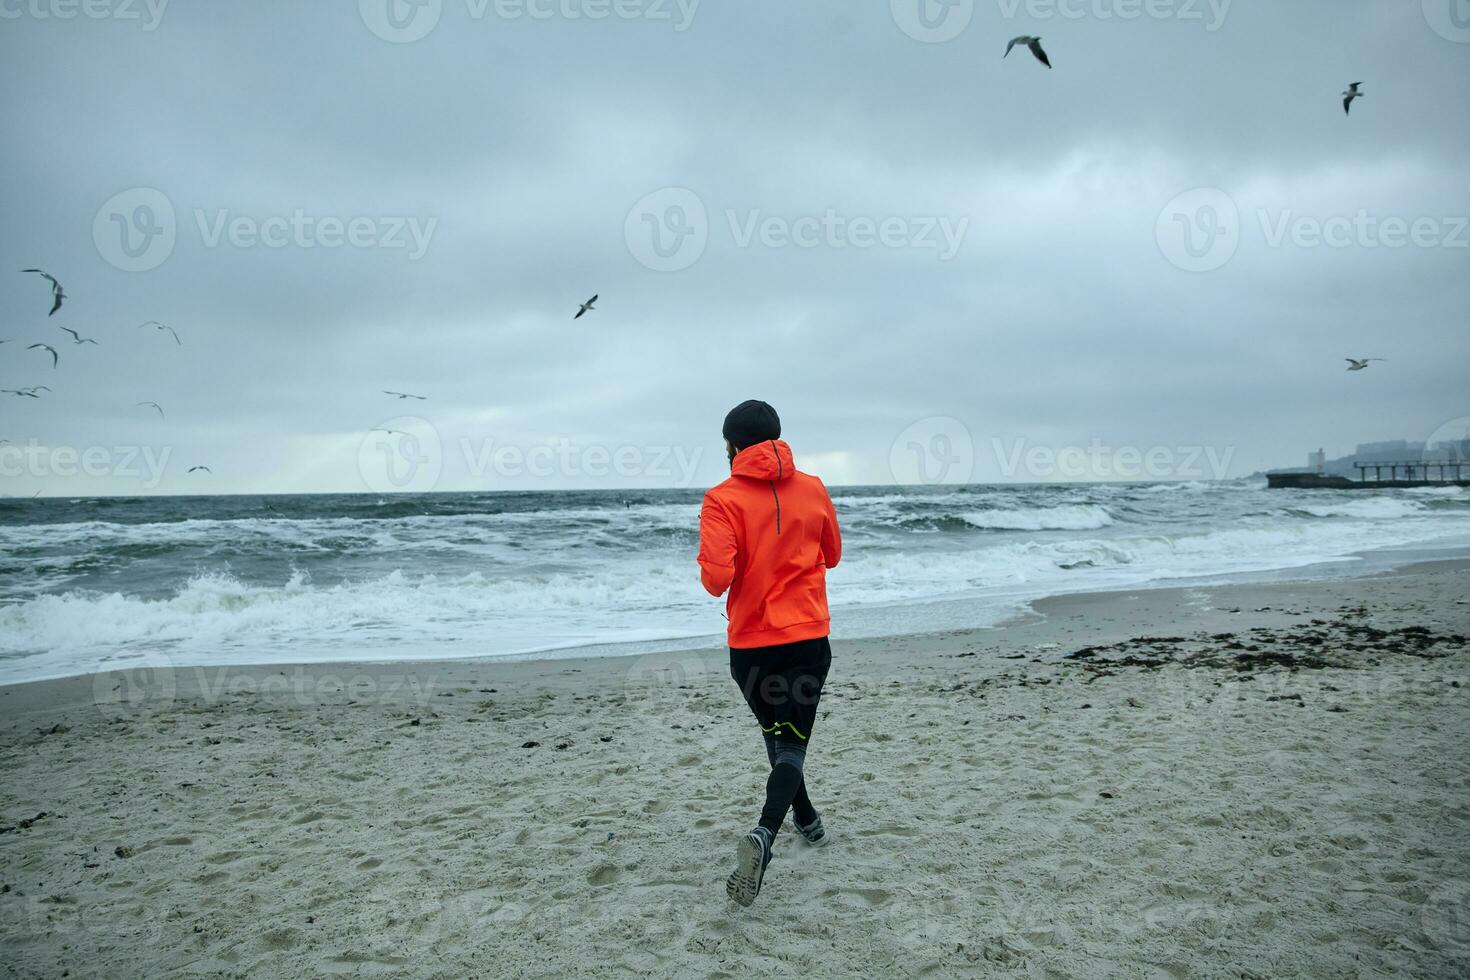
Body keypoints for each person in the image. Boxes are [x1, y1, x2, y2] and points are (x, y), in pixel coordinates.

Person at [697, 399, 842, 906]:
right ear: (777, 439)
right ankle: (780, 827)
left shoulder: (721, 499)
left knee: (778, 735)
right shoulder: (814, 488)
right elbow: (833, 555)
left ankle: (788, 825)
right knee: (792, 742)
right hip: (806, 638)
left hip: (752, 646)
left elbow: (715, 581)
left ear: (732, 447)